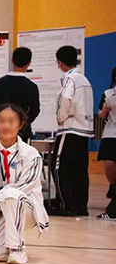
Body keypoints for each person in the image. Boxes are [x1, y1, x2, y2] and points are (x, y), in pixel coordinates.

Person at [0, 104, 49, 264]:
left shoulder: (31, 155)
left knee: (11, 195)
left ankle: (17, 249)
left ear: (20, 125)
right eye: (1, 121)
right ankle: (8, 241)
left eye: (11, 121)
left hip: (27, 211)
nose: (6, 125)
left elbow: (25, 187)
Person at [54, 45, 94, 216]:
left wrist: (61, 117)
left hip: (70, 130)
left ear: (60, 62)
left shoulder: (70, 79)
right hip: (84, 131)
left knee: (61, 167)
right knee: (80, 170)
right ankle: (81, 205)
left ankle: (66, 204)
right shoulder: (85, 80)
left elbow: (65, 98)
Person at [0, 47, 40, 142]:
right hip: (22, 132)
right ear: (29, 63)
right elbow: (35, 111)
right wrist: (21, 123)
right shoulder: (31, 86)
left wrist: (2, 120)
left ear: (12, 61)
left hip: (1, 129)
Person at [98, 67, 116, 220]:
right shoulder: (108, 94)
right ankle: (113, 185)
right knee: (109, 163)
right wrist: (104, 111)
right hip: (111, 132)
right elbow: (100, 113)